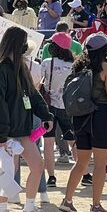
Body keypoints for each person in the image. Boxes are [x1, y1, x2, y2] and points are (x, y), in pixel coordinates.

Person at [0, 26, 54, 212]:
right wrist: (2, 135)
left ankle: (30, 208)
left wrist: (45, 114)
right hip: (8, 131)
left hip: (22, 128)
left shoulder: (19, 67)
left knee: (37, 165)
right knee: (8, 171)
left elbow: (32, 94)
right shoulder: (0, 69)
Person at [59, 34, 107, 212]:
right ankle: (96, 205)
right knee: (100, 164)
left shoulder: (78, 66)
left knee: (81, 162)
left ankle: (67, 200)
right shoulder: (106, 67)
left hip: (80, 117)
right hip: (99, 115)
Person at [40, 32, 76, 187]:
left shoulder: (47, 63)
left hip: (49, 106)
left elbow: (40, 82)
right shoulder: (73, 64)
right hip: (67, 106)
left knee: (48, 142)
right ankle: (84, 172)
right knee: (73, 140)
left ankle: (52, 176)